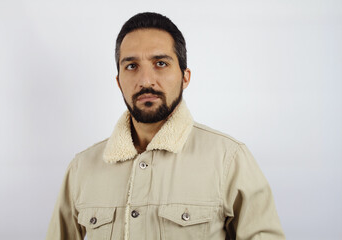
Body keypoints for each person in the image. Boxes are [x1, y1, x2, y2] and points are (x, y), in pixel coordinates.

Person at [46, 12, 285, 240]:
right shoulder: (82, 168)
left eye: (160, 63)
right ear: (119, 82)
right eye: (131, 66)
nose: (145, 80)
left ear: (185, 77)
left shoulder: (229, 159)